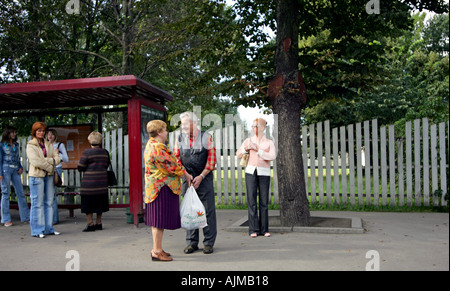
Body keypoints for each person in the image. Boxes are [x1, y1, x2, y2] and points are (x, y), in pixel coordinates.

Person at [144, 120, 192, 262]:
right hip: (162, 188)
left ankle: (157, 248)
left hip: (155, 188)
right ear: (159, 132)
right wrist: (186, 174)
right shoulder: (158, 148)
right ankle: (157, 251)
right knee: (159, 221)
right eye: (165, 130)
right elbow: (173, 167)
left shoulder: (151, 144)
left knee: (157, 222)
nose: (166, 132)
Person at [174, 112, 217, 254]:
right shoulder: (179, 138)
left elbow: (211, 160)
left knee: (207, 210)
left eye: (186, 124)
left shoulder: (206, 137)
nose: (183, 127)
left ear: (194, 123)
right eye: (182, 124)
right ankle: (192, 243)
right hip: (187, 179)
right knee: (190, 211)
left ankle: (208, 242)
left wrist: (201, 176)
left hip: (203, 179)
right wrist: (185, 175)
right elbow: (176, 159)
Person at [236, 118, 276, 238]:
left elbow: (272, 156)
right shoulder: (248, 140)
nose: (254, 128)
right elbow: (238, 154)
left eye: (257, 126)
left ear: (263, 128)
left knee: (264, 202)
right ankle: (253, 229)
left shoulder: (269, 142)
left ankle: (264, 229)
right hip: (250, 172)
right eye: (253, 126)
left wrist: (258, 150)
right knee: (252, 201)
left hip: (264, 172)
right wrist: (246, 148)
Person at [26, 122, 61, 238]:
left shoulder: (48, 144)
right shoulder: (31, 145)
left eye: (42, 131)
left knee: (49, 202)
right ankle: (37, 230)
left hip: (49, 176)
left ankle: (48, 228)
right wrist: (49, 165)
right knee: (37, 204)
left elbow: (57, 158)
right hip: (36, 177)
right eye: (39, 130)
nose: (41, 133)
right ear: (34, 132)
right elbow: (35, 162)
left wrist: (48, 161)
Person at [77, 131, 111, 232]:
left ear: (89, 140)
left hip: (89, 184)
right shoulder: (105, 152)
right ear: (100, 141)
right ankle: (99, 222)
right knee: (100, 202)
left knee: (88, 203)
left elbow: (81, 167)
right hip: (102, 182)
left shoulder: (87, 152)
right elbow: (107, 164)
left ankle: (90, 223)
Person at [1, 126, 30, 227]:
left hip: (15, 169)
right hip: (5, 169)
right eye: (12, 132)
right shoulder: (1, 145)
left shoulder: (16, 145)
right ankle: (6, 219)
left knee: (20, 192)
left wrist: (20, 166)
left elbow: (18, 158)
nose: (14, 134)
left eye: (15, 132)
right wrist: (0, 173)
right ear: (7, 133)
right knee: (5, 193)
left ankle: (25, 216)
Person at [47, 129, 69, 224]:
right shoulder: (45, 145)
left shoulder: (60, 145)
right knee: (48, 194)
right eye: (48, 134)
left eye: (52, 134)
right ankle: (49, 217)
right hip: (47, 168)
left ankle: (54, 218)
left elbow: (66, 159)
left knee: (53, 194)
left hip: (57, 169)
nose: (50, 136)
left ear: (55, 135)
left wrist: (58, 153)